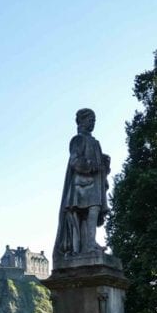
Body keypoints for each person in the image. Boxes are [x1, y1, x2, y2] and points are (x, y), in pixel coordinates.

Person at [54, 108, 111, 260]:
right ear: (82, 121)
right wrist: (91, 165)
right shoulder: (78, 140)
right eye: (90, 120)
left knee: (93, 211)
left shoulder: (95, 142)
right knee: (89, 211)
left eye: (94, 120)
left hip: (94, 185)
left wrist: (104, 162)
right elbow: (74, 161)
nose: (93, 123)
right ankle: (88, 245)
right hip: (82, 186)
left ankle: (90, 243)